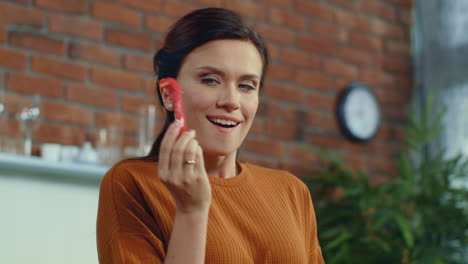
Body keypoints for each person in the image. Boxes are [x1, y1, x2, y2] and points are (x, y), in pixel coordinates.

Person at [96, 7, 324, 264]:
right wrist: (191, 210)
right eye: (210, 80)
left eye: (247, 86)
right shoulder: (132, 184)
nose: (231, 101)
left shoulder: (291, 191)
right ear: (169, 94)